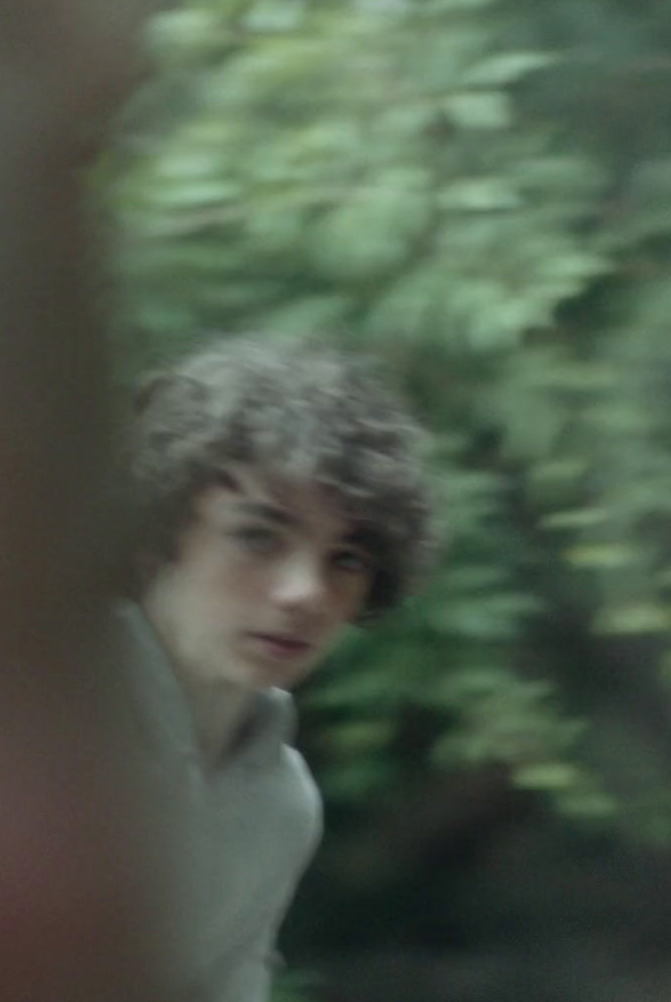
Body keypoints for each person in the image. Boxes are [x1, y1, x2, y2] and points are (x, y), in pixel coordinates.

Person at [116, 334, 436, 1002]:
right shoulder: (23, 722)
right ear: (153, 536)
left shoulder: (280, 806)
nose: (306, 593)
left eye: (345, 560)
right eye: (258, 536)